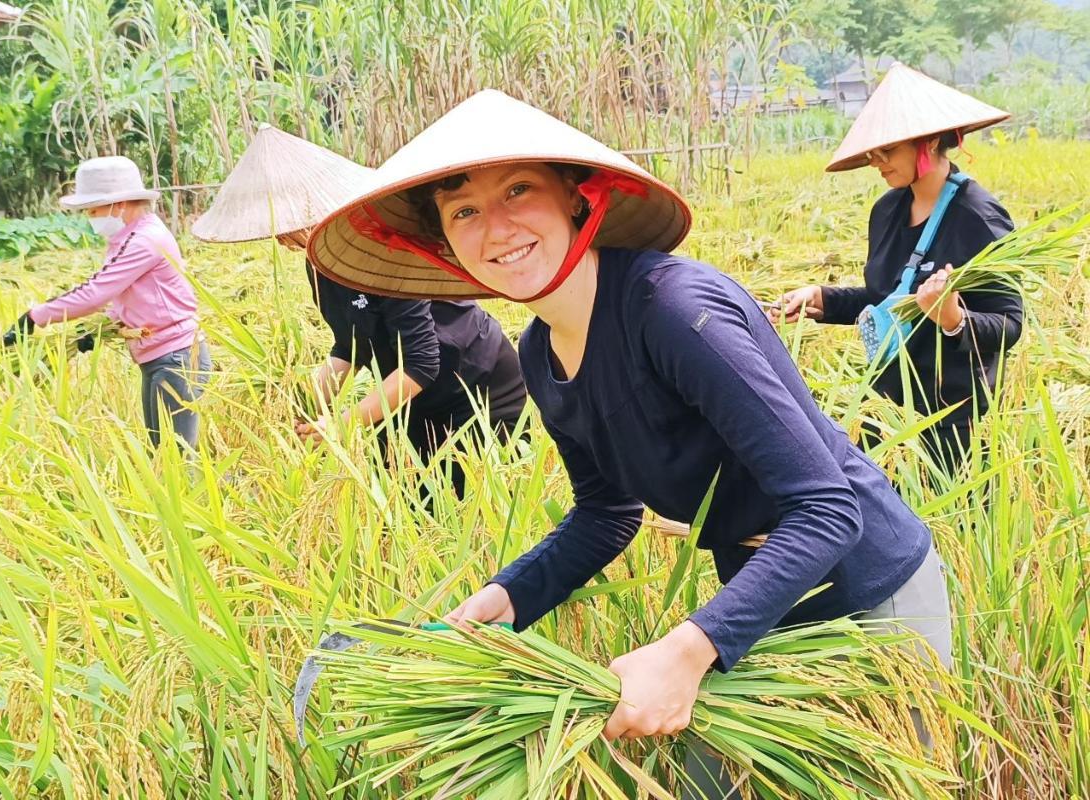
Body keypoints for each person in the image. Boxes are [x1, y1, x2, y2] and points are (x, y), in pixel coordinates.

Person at [307, 90, 953, 797]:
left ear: (578, 199)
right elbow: (606, 512)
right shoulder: (539, 355)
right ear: (446, 243)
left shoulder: (673, 312)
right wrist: (508, 597)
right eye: (464, 211)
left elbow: (827, 507)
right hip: (761, 594)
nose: (496, 227)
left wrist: (686, 649)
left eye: (518, 190)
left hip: (871, 591)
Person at [192, 125, 526, 497]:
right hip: (412, 396)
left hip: (476, 391)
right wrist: (301, 404)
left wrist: (342, 425)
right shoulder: (318, 263)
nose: (282, 238)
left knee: (468, 509)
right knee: (402, 500)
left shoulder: (383, 253)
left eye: (289, 226)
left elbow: (421, 363)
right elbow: (350, 346)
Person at [776, 64, 1022, 473]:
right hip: (886, 406)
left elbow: (1009, 324)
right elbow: (888, 300)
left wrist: (954, 320)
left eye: (886, 151)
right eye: (873, 153)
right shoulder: (887, 210)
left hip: (949, 418)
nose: (876, 162)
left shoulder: (978, 217)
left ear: (926, 142)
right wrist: (822, 300)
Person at [2, 155, 210, 450]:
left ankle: (205, 494)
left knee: (175, 454)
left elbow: (95, 292)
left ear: (119, 204)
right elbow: (131, 298)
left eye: (92, 209)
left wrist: (35, 317)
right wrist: (99, 329)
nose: (90, 217)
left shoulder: (144, 240)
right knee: (161, 448)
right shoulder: (131, 237)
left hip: (176, 356)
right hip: (157, 355)